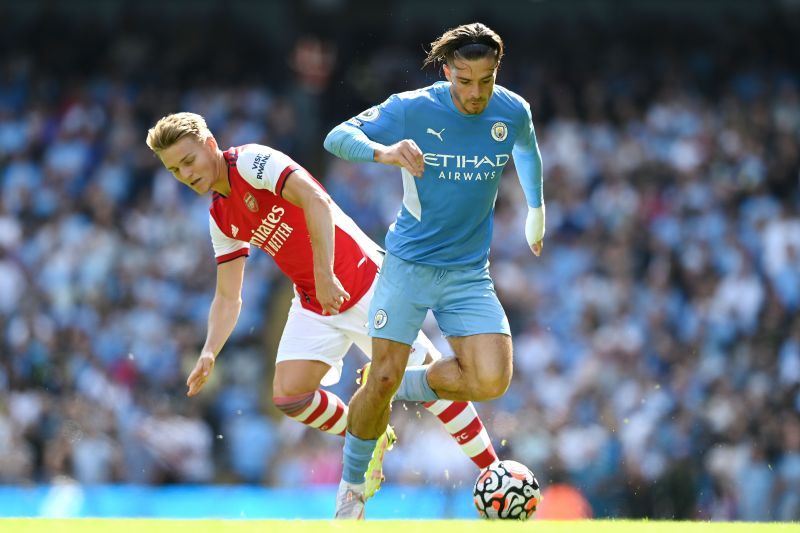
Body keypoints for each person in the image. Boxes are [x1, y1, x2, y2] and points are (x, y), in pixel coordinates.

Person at [145, 112, 499, 516]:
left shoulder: (251, 161)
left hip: (363, 281)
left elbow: (315, 198)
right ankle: (369, 434)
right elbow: (228, 296)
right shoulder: (220, 218)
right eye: (174, 169)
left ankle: (492, 469)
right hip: (316, 300)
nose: (184, 173)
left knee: (429, 375)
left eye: (187, 160)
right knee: (289, 395)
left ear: (209, 144)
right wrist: (210, 351)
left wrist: (326, 272)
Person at [324, 22, 545, 518]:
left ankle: (396, 384)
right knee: (378, 380)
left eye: (485, 81)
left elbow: (527, 148)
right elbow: (336, 137)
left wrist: (537, 208)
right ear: (447, 72)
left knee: (491, 380)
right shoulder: (413, 107)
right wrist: (382, 152)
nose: (475, 93)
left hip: (468, 271)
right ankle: (352, 493)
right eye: (464, 81)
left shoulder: (512, 111)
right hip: (409, 265)